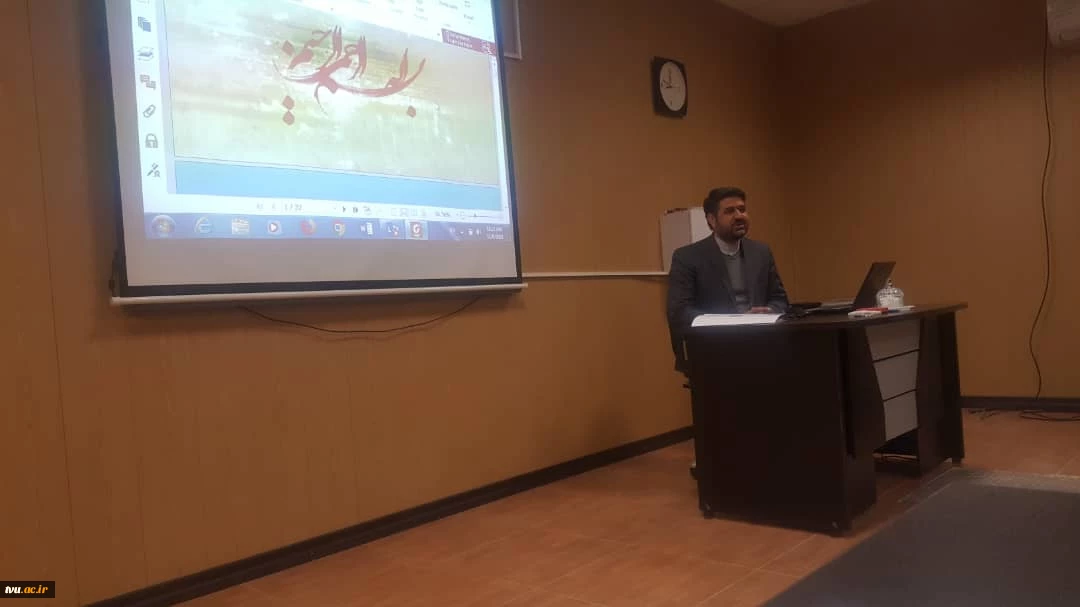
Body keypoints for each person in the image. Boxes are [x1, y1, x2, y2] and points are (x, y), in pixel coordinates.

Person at [666, 187, 790, 479]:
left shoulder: (761, 252)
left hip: (760, 345)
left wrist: (769, 310)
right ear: (711, 220)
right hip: (714, 350)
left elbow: (780, 298)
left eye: (742, 209)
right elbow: (679, 311)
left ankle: (766, 459)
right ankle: (719, 462)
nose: (739, 216)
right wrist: (733, 320)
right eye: (730, 211)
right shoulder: (687, 257)